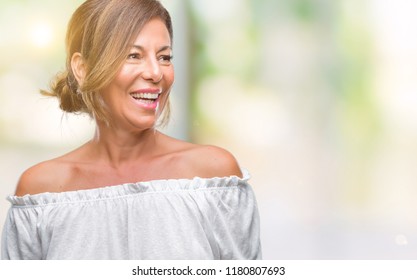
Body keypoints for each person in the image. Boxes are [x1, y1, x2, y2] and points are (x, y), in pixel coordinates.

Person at [1, 0, 261, 260]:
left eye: (164, 57)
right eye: (133, 55)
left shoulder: (214, 177)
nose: (155, 72)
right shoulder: (40, 194)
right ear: (82, 68)